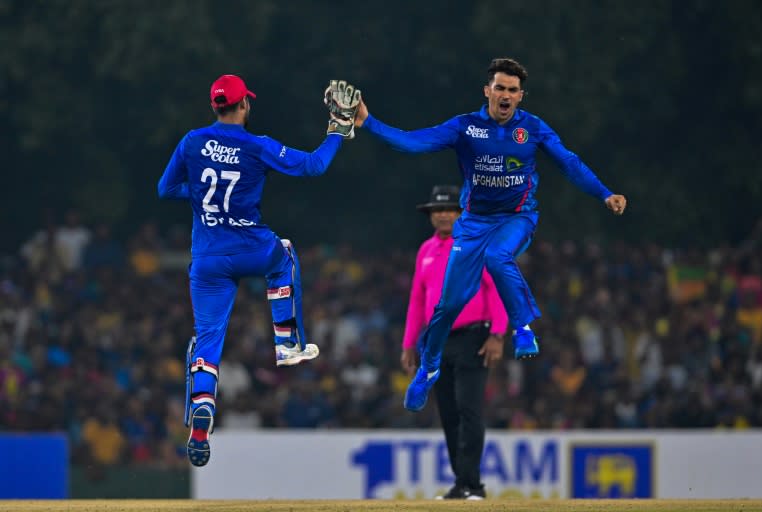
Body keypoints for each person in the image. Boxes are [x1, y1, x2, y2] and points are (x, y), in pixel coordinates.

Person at [349, 57, 627, 412]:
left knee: (498, 256)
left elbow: (569, 162)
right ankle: (429, 369)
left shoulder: (534, 128)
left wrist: (605, 193)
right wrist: (368, 122)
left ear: (521, 96)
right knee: (447, 306)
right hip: (474, 223)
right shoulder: (466, 127)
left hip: (516, 218)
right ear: (488, 91)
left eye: (513, 90)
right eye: (500, 88)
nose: (506, 95)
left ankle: (523, 328)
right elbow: (414, 143)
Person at [158, 74, 359, 466]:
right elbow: (314, 167)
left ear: (215, 106)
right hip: (252, 247)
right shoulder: (257, 145)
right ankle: (287, 343)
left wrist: (199, 195)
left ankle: (203, 406)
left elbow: (165, 189)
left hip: (208, 259)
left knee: (208, 338)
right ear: (244, 105)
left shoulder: (191, 141)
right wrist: (337, 129)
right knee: (283, 256)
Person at [403, 184, 509, 500]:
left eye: (450, 209)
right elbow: (417, 299)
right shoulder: (425, 251)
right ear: (431, 216)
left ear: (461, 213)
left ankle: (472, 484)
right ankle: (461, 483)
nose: (444, 215)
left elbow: (498, 288)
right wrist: (409, 344)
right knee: (448, 412)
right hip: (437, 341)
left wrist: (498, 335)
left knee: (468, 408)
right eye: (438, 210)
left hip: (474, 336)